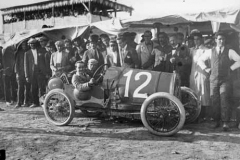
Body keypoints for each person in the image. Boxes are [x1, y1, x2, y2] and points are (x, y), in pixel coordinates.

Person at [198, 31, 240, 131]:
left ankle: (225, 122)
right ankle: (216, 121)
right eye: (219, 39)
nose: (221, 41)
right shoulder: (210, 51)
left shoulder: (230, 51)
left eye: (223, 39)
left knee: (224, 99)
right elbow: (200, 60)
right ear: (216, 40)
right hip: (213, 79)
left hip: (225, 80)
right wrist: (205, 68)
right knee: (214, 100)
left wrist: (231, 68)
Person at [189, 32, 210, 121]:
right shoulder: (191, 50)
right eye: (194, 39)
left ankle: (203, 115)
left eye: (198, 39)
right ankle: (196, 115)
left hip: (202, 74)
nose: (196, 41)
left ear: (201, 39)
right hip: (193, 73)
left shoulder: (206, 50)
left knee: (203, 94)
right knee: (194, 93)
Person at [24, 38, 47, 108]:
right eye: (31, 44)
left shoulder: (41, 51)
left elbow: (44, 61)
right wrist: (27, 76)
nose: (32, 45)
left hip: (40, 71)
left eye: (33, 43)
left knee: (41, 87)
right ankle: (35, 102)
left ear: (36, 44)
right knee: (33, 88)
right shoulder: (27, 53)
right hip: (32, 73)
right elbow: (26, 65)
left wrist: (45, 71)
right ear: (29, 45)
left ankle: (43, 103)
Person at [15, 41, 31, 108]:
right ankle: (19, 102)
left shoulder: (29, 52)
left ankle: (26, 102)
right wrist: (17, 73)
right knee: (20, 88)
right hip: (20, 73)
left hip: (27, 73)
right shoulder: (19, 53)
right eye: (23, 45)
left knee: (27, 88)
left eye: (25, 45)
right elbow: (17, 63)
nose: (24, 46)